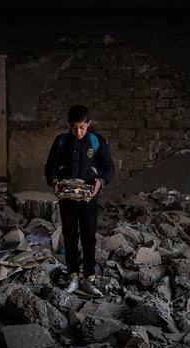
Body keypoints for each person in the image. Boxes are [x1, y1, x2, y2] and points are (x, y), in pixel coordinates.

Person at [44, 105, 115, 297]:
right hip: (67, 199)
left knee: (89, 238)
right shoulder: (61, 141)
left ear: (88, 124)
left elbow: (109, 167)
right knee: (70, 237)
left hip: (89, 199)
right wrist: (54, 181)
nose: (78, 132)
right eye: (74, 127)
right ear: (69, 125)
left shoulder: (96, 141)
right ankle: (73, 276)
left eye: (82, 127)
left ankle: (89, 278)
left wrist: (100, 181)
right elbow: (50, 166)